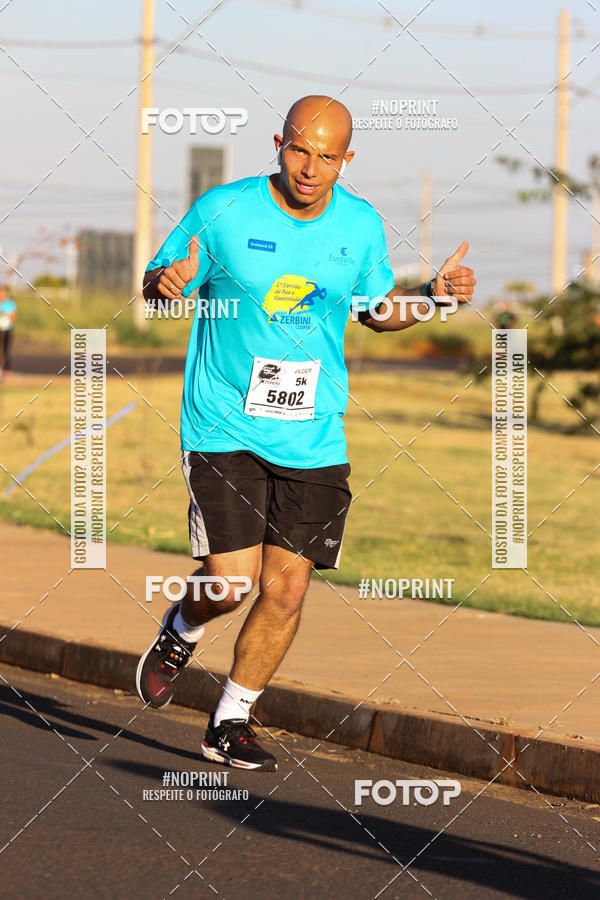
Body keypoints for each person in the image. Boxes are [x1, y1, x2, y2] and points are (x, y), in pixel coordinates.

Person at [136, 95, 476, 771]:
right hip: (223, 421)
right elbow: (157, 284)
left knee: (287, 588)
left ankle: (230, 720)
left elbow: (377, 312)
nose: (310, 167)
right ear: (278, 142)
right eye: (299, 149)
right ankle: (181, 629)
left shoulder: (360, 225)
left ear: (348, 159)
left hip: (313, 432)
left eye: (327, 156)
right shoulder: (224, 210)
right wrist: (164, 286)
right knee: (232, 583)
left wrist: (435, 296)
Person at [0, 284, 17, 379]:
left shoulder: (10, 304)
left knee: (6, 350)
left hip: (7, 329)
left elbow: (14, 318)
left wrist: (7, 314)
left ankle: (6, 369)